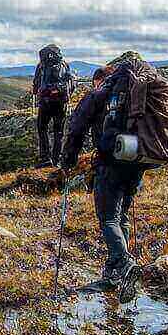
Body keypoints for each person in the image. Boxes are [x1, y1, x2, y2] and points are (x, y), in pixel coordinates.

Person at [61, 52, 151, 302]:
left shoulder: (99, 95)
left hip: (109, 163)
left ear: (98, 81)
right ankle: (113, 275)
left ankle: (124, 263)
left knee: (108, 217)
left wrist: (68, 160)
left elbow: (76, 128)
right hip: (136, 163)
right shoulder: (133, 98)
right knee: (120, 214)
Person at [32, 45, 75, 168]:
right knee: (59, 132)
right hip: (61, 103)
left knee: (42, 128)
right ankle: (57, 160)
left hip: (45, 103)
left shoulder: (41, 66)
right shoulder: (64, 64)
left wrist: (38, 92)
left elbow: (36, 85)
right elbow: (70, 83)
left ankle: (45, 158)